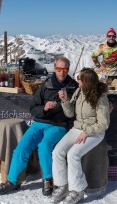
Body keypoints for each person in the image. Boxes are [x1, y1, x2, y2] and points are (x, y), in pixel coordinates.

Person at [0, 57, 78, 196]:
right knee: (21, 148)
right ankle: (12, 181)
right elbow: (33, 107)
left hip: (58, 125)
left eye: (65, 69)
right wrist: (44, 108)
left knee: (44, 147)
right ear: (55, 69)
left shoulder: (73, 86)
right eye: (59, 69)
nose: (62, 72)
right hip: (40, 122)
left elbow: (77, 107)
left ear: (68, 69)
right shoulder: (45, 85)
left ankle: (48, 179)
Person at [50, 68, 110, 204]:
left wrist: (87, 132)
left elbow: (104, 124)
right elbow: (70, 114)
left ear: (86, 82)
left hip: (94, 132)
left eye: (79, 79)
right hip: (77, 128)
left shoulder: (101, 97)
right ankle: (62, 184)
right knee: (57, 152)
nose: (77, 81)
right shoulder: (79, 91)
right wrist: (65, 101)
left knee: (73, 155)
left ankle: (77, 190)